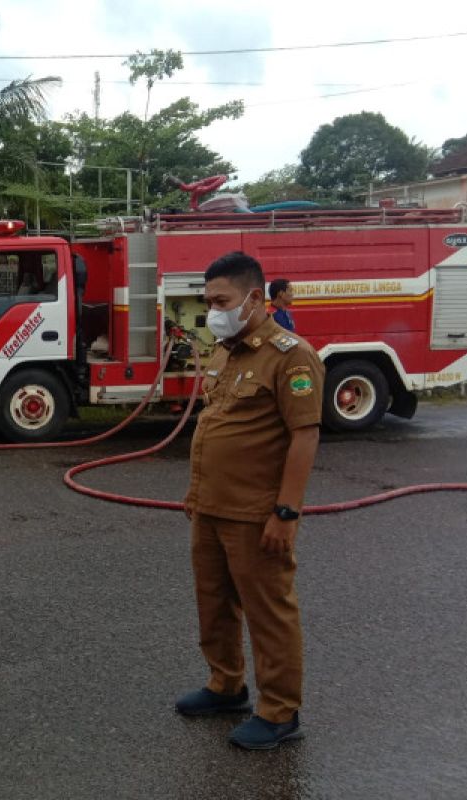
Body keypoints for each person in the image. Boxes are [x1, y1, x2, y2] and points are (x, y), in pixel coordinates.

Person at [176, 251, 323, 750]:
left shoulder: (290, 355)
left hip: (256, 513)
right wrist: (196, 492)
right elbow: (215, 425)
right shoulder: (224, 351)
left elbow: (304, 436)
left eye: (222, 300)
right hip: (211, 506)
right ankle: (226, 685)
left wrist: (286, 512)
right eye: (209, 300)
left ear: (255, 298)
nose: (213, 310)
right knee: (213, 604)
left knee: (268, 611)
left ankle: (280, 711)